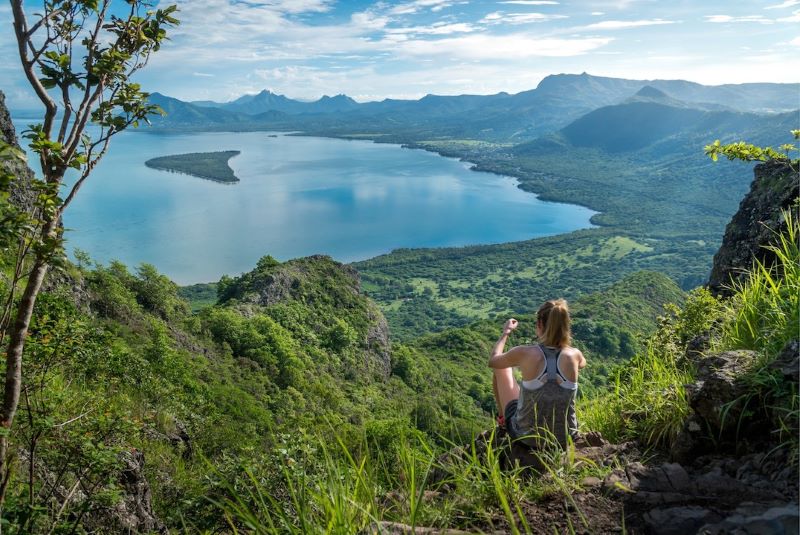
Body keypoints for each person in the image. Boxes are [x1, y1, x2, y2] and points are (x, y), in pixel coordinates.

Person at [488, 299, 586, 448]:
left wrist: (505, 333)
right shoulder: (576, 355)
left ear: (539, 324)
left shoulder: (525, 353)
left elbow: (493, 361)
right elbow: (581, 365)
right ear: (565, 325)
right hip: (567, 437)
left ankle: (502, 422)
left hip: (527, 437)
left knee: (501, 369)